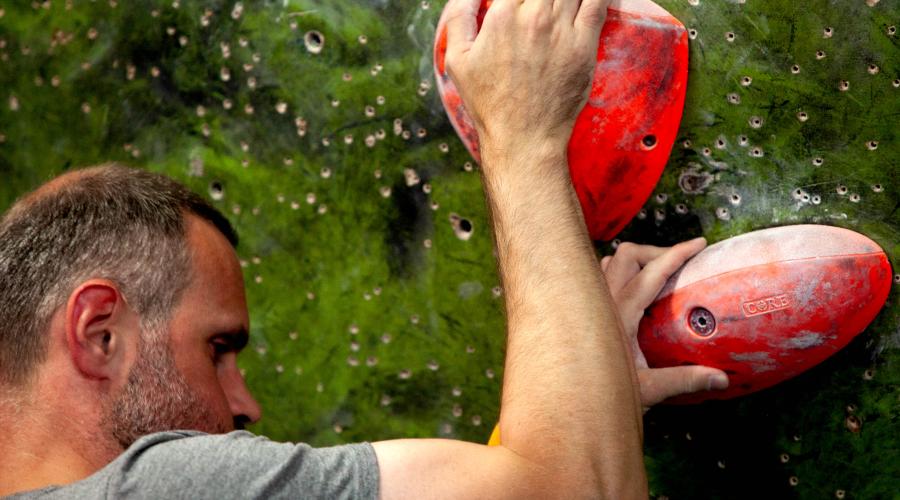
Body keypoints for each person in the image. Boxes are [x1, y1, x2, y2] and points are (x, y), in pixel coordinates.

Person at [0, 0, 728, 497]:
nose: (245, 402)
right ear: (99, 332)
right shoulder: (154, 487)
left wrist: (580, 391)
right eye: (218, 348)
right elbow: (574, 494)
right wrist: (525, 135)